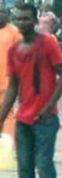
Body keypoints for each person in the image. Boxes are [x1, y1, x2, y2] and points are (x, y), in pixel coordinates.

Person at [0, 2, 62, 178]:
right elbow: (12, 89)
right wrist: (1, 118)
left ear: (36, 19)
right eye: (19, 18)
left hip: (45, 120)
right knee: (24, 169)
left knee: (44, 166)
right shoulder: (15, 50)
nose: (23, 23)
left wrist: (50, 106)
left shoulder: (48, 43)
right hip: (24, 119)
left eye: (27, 18)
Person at [0, 7, 20, 139]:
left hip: (7, 81)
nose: (1, 16)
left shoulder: (14, 32)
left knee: (7, 113)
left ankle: (6, 143)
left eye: (4, 13)